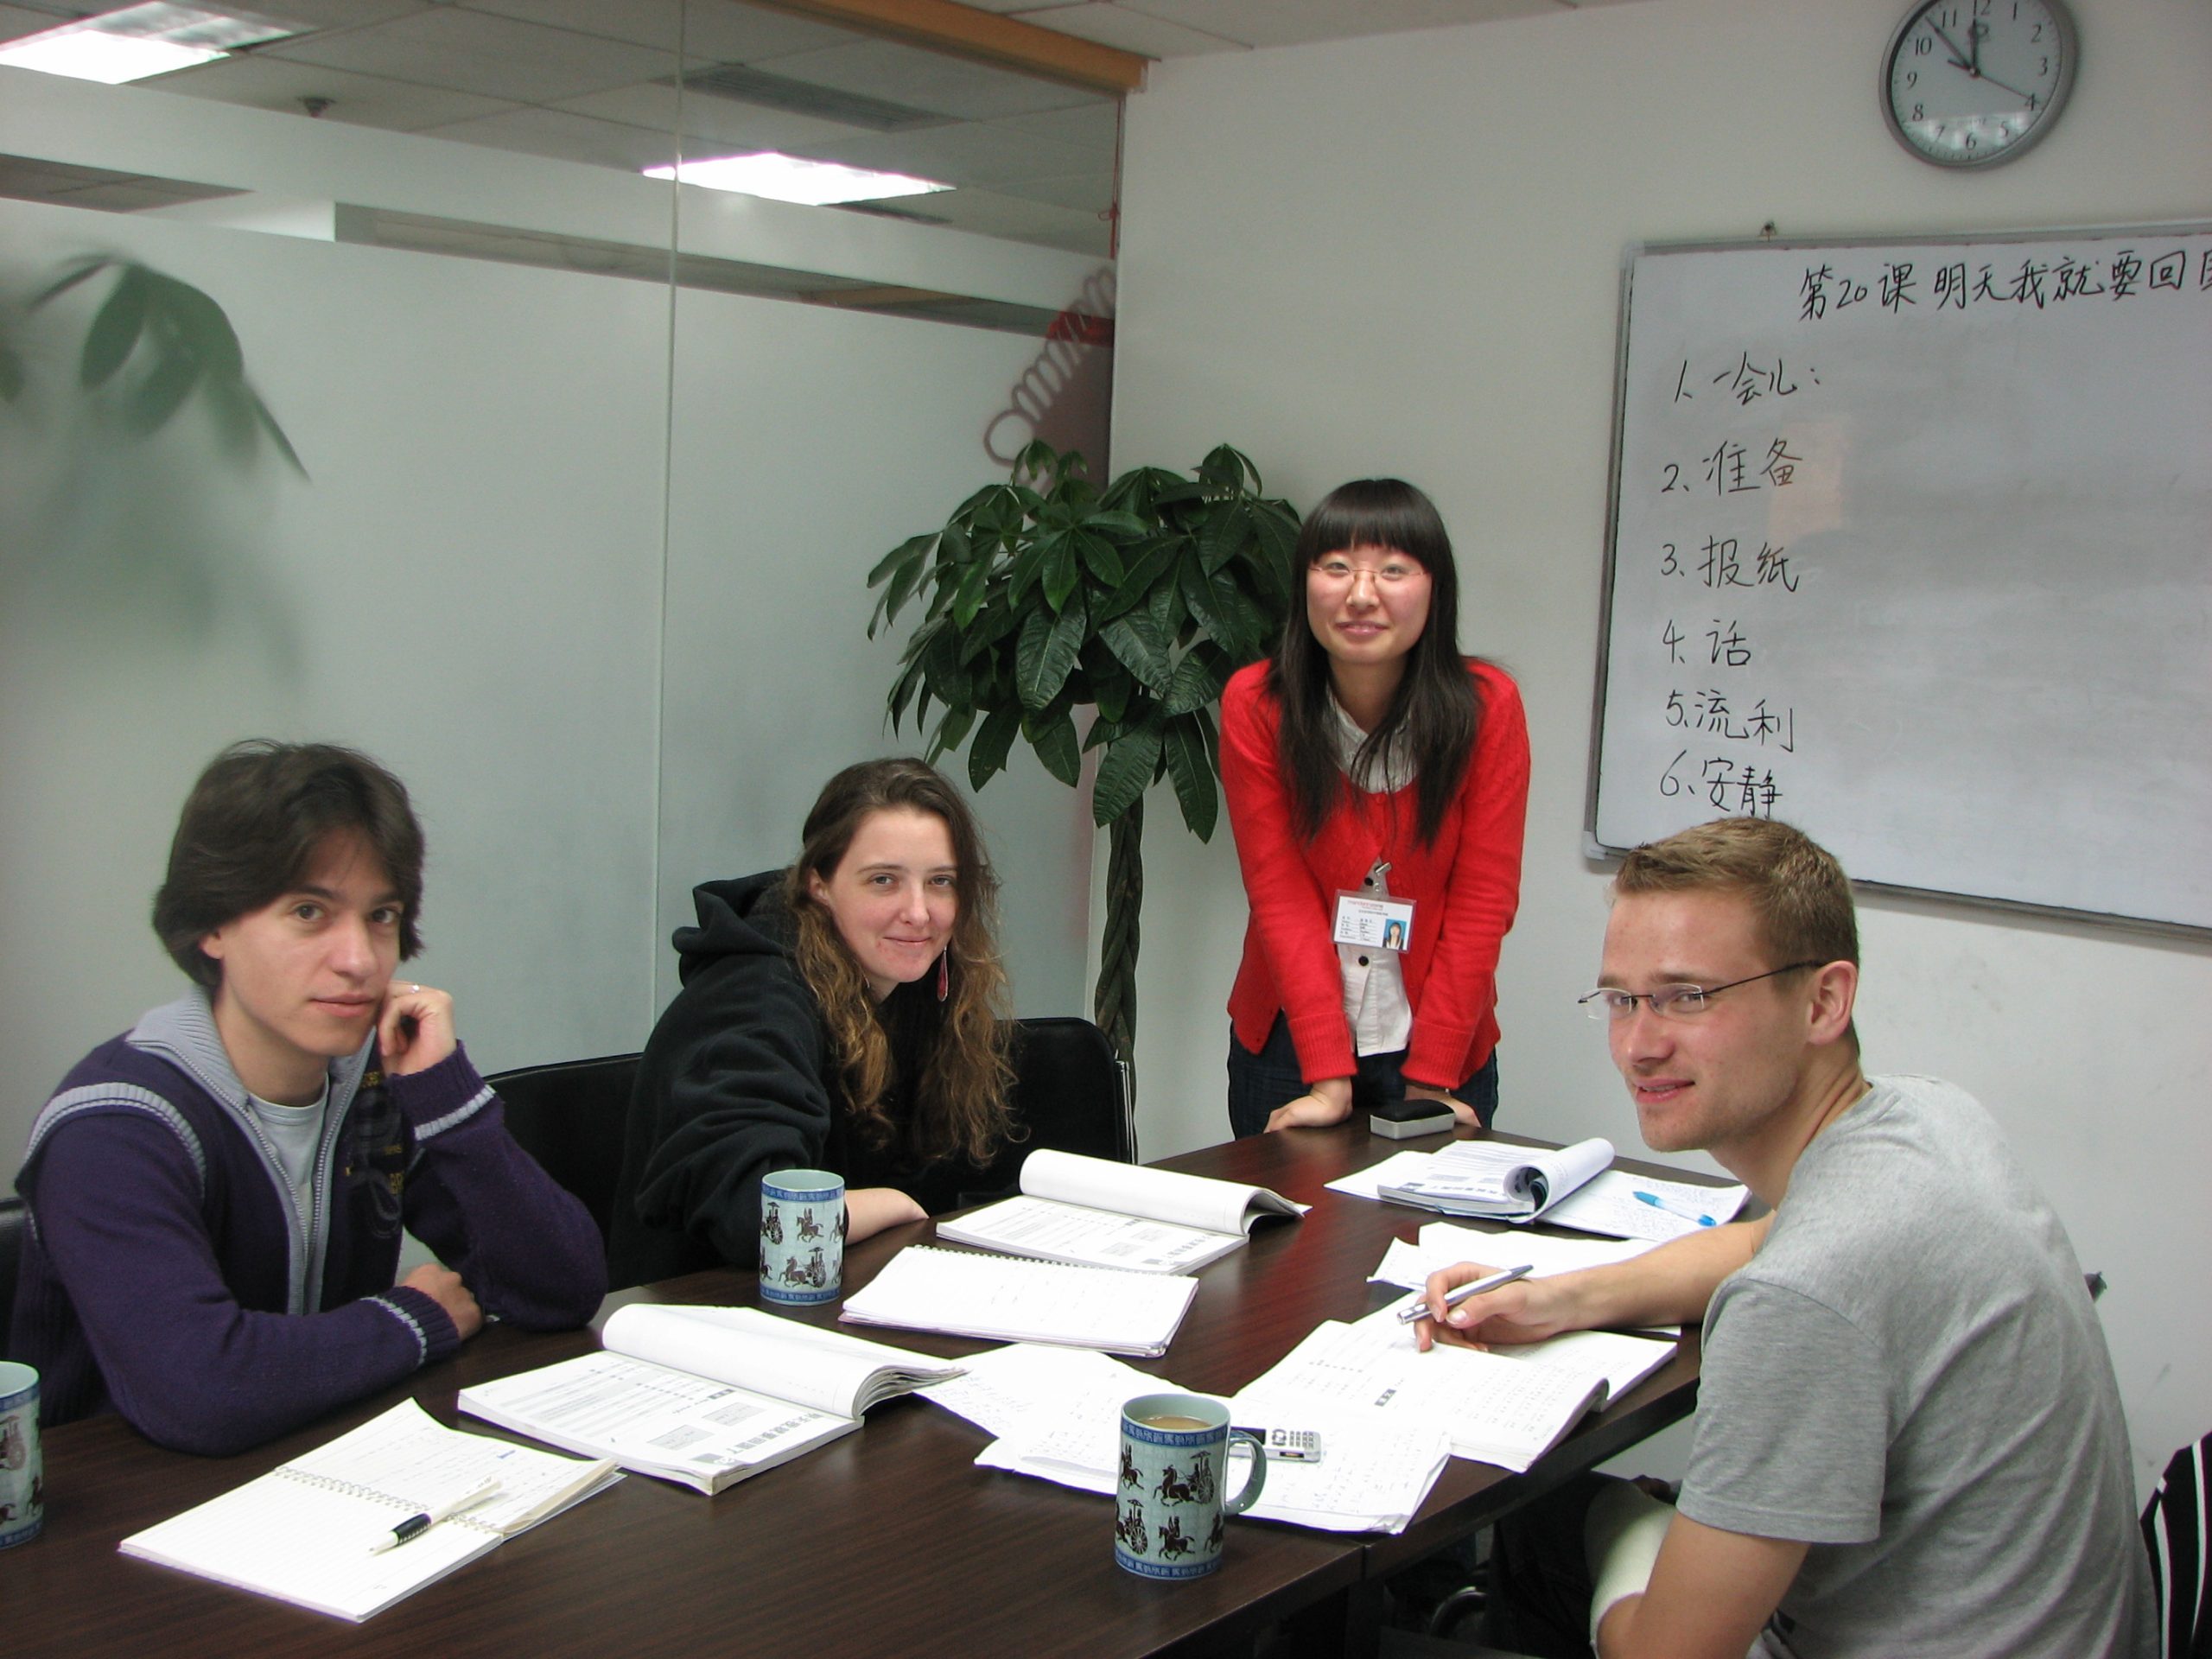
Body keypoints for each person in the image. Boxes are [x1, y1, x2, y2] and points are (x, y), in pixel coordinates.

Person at [1413, 817, 2154, 1659]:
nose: (1638, 1046)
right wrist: (1559, 1298)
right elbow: (1765, 1239)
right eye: (1622, 1000)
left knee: (1551, 1525)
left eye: (1688, 997)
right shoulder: (1927, 1116)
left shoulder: (1808, 1294)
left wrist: (1621, 1516)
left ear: (1823, 1002)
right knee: (1547, 1526)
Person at [10, 741, 606, 1457]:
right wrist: (415, 1317)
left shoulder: (373, 1087)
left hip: (321, 1469)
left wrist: (448, 1100)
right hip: (120, 1504)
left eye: (381, 915)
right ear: (213, 925)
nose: (359, 959)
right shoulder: (113, 1127)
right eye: (308, 912)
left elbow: (561, 1292)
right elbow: (201, 1389)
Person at [608, 757, 1020, 1286]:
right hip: (702, 1313)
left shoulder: (904, 987)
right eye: (884, 880)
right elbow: (760, 1216)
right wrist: (895, 1204)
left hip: (825, 1297)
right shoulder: (755, 995)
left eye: (941, 881)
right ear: (818, 884)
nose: (919, 912)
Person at [1220, 477, 1529, 1137]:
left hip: (1442, 1040)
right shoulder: (1258, 704)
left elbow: (1483, 902)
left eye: (1393, 570)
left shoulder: (1487, 708)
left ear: (1435, 588)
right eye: (1336, 567)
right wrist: (1328, 1076)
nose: (1361, 594)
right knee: (1280, 1208)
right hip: (1290, 1041)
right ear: (1305, 584)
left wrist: (1432, 1079)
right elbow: (1278, 894)